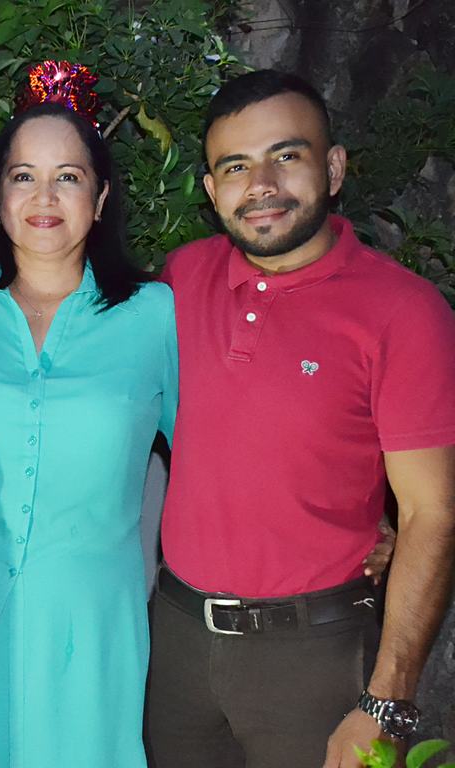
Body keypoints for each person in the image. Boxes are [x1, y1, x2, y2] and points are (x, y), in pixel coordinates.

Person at [145, 69, 455, 768]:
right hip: (177, 646)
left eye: (286, 155)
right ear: (211, 191)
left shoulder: (404, 312)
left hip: (313, 658)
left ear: (334, 168)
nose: (261, 184)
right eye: (236, 166)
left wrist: (387, 701)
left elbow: (432, 513)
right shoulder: (180, 280)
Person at [0, 62, 178, 766]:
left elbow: (219, 452)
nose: (45, 197)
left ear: (101, 197)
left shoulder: (155, 315)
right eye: (24, 176)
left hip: (94, 624)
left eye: (68, 176)